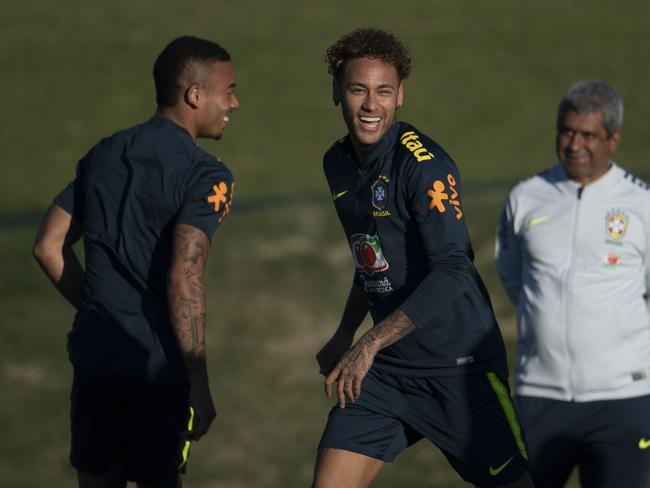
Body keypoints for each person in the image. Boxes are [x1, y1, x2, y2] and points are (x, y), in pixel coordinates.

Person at [313, 27, 533, 488]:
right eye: (358, 90)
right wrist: (345, 333)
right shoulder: (337, 163)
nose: (371, 105)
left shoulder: (424, 165)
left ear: (400, 97)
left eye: (384, 92)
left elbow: (454, 269)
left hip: (460, 366)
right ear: (337, 91)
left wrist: (368, 343)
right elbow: (371, 259)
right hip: (390, 373)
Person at [32, 36, 239, 488]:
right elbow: (185, 276)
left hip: (95, 355)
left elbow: (49, 245)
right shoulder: (206, 175)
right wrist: (198, 381)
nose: (235, 103)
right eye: (229, 90)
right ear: (195, 95)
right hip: (156, 368)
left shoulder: (104, 152)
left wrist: (98, 310)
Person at [496, 80, 650, 487]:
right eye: (566, 131)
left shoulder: (642, 204)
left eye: (588, 135)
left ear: (613, 140)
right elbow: (513, 277)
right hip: (539, 396)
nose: (574, 144)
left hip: (622, 399)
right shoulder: (525, 198)